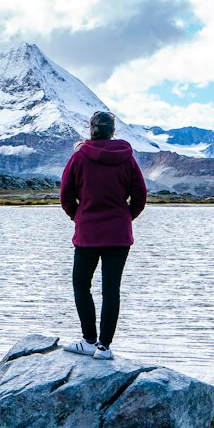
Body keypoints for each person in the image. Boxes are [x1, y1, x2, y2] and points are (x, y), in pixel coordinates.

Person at [59, 109, 147, 359]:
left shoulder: (79, 158)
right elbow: (140, 195)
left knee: (81, 285)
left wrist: (79, 216)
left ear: (92, 129)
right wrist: (126, 217)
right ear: (113, 130)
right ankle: (104, 347)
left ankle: (88, 340)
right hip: (119, 234)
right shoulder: (127, 158)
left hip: (87, 233)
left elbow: (66, 196)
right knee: (111, 289)